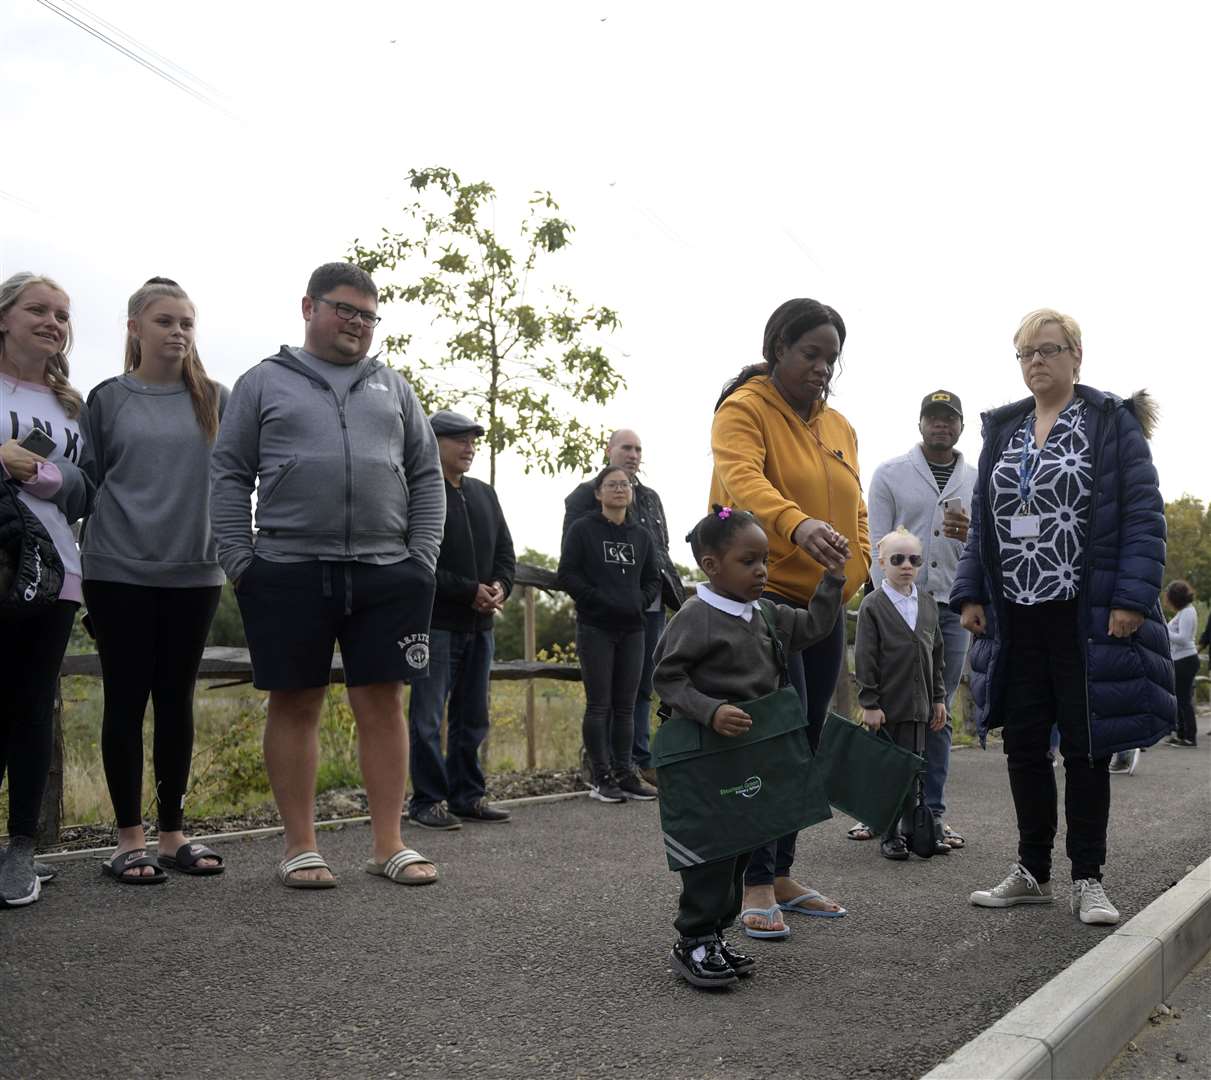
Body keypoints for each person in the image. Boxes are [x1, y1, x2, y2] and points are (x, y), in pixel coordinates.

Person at [211, 262, 445, 889]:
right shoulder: (262, 382)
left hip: (386, 572)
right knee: (295, 702)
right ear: (309, 306)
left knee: (384, 703)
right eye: (346, 310)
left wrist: (421, 560)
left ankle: (389, 844)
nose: (358, 325)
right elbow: (229, 472)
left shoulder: (394, 387)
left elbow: (425, 473)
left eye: (369, 316)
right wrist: (241, 559)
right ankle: (299, 847)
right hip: (287, 568)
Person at [953, 308, 1174, 926]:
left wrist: (1130, 599)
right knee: (1023, 744)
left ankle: (1088, 877)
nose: (1037, 363)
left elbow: (1142, 515)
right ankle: (1031, 870)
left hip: (1084, 610)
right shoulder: (1005, 429)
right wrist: (971, 591)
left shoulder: (1110, 422)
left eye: (1048, 350)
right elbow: (984, 524)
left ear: (1077, 355)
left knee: (1086, 746)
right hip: (1015, 613)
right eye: (1025, 354)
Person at [710, 297, 870, 936]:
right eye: (811, 354)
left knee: (805, 739)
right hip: (764, 598)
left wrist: (853, 574)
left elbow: (855, 510)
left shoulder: (840, 427)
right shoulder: (742, 410)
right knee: (769, 739)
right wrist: (796, 525)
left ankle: (779, 872)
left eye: (831, 358)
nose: (822, 368)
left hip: (824, 604)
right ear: (778, 348)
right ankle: (750, 884)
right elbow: (743, 483)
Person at [653, 506, 845, 984]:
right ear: (711, 565)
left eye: (765, 561)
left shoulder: (766, 614)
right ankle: (693, 939)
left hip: (751, 754)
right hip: (708, 756)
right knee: (710, 849)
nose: (761, 571)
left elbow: (815, 627)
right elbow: (667, 677)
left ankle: (716, 936)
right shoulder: (696, 617)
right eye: (748, 561)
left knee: (741, 843)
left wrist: (833, 579)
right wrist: (710, 709)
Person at [81, 278, 229, 883]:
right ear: (135, 328)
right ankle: (128, 840)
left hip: (196, 572)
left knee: (175, 701)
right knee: (126, 699)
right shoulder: (108, 398)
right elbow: (83, 483)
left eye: (187, 323)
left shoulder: (216, 397)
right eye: (165, 321)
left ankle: (172, 835)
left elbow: (241, 476)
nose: (178, 332)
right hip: (118, 570)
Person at [0, 272, 94, 908]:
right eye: (38, 309)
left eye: (62, 315)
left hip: (55, 572)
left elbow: (88, 490)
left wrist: (43, 473)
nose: (52, 322)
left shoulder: (72, 406)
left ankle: (21, 850)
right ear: (4, 317)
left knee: (32, 711)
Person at [858, 389, 976, 851]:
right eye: (933, 417)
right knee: (882, 712)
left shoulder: (977, 478)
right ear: (920, 423)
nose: (940, 425)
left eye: (949, 418)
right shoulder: (890, 473)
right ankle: (879, 810)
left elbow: (985, 543)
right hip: (895, 607)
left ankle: (932, 814)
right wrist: (882, 601)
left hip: (949, 605)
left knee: (936, 713)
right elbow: (876, 543)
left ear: (961, 426)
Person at [407, 409, 516, 830]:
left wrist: (501, 586)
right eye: (459, 439)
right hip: (434, 624)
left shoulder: (485, 494)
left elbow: (506, 552)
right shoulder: (417, 491)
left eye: (473, 440)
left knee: (473, 717)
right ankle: (427, 801)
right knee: (428, 718)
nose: (469, 447)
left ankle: (467, 796)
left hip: (480, 627)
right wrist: (468, 590)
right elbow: (417, 561)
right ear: (432, 442)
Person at [563, 429, 685, 781]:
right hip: (601, 614)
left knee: (643, 686)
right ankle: (601, 768)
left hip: (646, 609)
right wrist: (602, 599)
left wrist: (646, 597)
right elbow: (572, 560)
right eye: (626, 447)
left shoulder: (649, 498)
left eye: (638, 449)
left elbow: (659, 552)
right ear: (609, 451)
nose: (633, 454)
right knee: (603, 697)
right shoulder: (584, 497)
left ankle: (637, 761)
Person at [557, 464, 661, 803]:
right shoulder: (582, 530)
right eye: (612, 485)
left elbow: (652, 579)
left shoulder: (641, 536)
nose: (620, 489)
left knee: (627, 706)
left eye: (625, 485)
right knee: (599, 705)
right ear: (599, 493)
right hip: (595, 628)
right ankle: (601, 777)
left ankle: (624, 772)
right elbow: (568, 574)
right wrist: (597, 600)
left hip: (633, 629)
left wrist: (638, 602)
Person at [854, 528, 947, 860]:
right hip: (887, 708)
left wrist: (938, 698)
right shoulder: (873, 605)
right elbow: (864, 656)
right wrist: (869, 702)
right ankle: (889, 832)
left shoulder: (927, 603)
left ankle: (915, 829)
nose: (906, 565)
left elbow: (936, 656)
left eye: (914, 559)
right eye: (897, 559)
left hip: (919, 706)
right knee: (891, 773)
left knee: (917, 771)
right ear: (882, 562)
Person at [1162, 580, 1198, 748]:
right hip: (1180, 659)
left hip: (1186, 659)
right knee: (1179, 699)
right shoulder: (1183, 612)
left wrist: (1165, 630)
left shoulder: (1188, 612)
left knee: (1184, 700)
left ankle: (1190, 737)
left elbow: (1183, 639)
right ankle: (1181, 733)